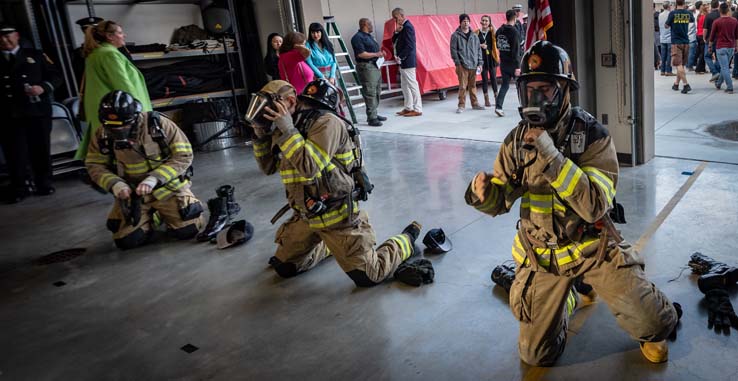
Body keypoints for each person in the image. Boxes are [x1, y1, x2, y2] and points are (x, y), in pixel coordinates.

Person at [465, 41, 679, 366]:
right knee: (536, 356)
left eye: (546, 89)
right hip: (543, 255)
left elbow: (594, 206)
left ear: (564, 91)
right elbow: (501, 200)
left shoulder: (592, 136)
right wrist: (483, 195)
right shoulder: (516, 141)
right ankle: (565, 297)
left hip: (592, 248)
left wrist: (551, 154)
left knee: (658, 324)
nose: (536, 98)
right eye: (530, 89)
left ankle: (631, 307)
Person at [248, 79, 424, 287]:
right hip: (306, 216)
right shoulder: (287, 125)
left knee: (369, 276)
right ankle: (328, 245)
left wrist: (287, 131)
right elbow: (268, 168)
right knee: (284, 268)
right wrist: (259, 136)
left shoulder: (327, 123)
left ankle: (405, 241)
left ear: (289, 100)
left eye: (269, 105)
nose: (265, 111)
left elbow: (309, 166)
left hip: (337, 216)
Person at [85, 90, 203, 250]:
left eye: (125, 126)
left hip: (167, 190)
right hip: (133, 196)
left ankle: (169, 211)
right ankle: (151, 217)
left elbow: (184, 155)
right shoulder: (102, 134)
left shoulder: (158, 124)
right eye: (113, 128)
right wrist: (115, 184)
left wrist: (154, 178)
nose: (119, 132)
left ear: (135, 116)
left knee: (187, 230)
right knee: (127, 241)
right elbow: (94, 164)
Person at [0, 25, 62, 203]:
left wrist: (42, 88)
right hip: (9, 114)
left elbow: (56, 76)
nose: (5, 40)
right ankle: (20, 187)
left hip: (37, 111)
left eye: (8, 36)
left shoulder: (35, 55)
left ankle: (44, 183)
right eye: (1, 38)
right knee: (15, 153)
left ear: (17, 36)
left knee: (40, 148)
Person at [77, 20, 152, 161]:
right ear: (110, 36)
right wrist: (139, 111)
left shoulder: (96, 53)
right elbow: (124, 85)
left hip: (104, 111)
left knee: (106, 149)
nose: (124, 35)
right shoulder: (110, 54)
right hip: (119, 113)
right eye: (120, 32)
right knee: (127, 153)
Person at [351, 18, 387, 127]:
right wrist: (376, 54)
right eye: (370, 24)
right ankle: (372, 118)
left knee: (377, 90)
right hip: (366, 67)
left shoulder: (369, 37)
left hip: (374, 66)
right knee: (370, 91)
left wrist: (380, 54)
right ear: (365, 25)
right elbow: (361, 54)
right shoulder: (357, 38)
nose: (372, 26)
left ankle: (374, 113)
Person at [450, 13, 484, 113]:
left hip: (473, 64)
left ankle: (475, 103)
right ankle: (461, 105)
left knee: (473, 86)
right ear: (460, 23)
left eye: (467, 21)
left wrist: (480, 63)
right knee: (462, 86)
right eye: (464, 21)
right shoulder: (455, 36)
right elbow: (453, 50)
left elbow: (478, 50)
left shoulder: (474, 36)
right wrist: (458, 63)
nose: (466, 23)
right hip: (462, 65)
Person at [392, 8, 422, 117]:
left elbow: (410, 46)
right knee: (404, 85)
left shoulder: (408, 27)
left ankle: (418, 108)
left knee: (412, 84)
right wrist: (396, 32)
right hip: (403, 61)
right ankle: (408, 107)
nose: (395, 20)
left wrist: (400, 57)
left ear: (401, 15)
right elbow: (393, 40)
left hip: (407, 61)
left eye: (396, 17)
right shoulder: (401, 28)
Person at [495, 10, 522, 117]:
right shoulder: (514, 32)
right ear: (515, 18)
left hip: (503, 62)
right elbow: (516, 50)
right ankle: (525, 106)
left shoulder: (499, 30)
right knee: (520, 86)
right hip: (513, 64)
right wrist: (518, 66)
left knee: (505, 85)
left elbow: (498, 45)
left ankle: (498, 107)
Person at [665, 0, 695, 93]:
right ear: (684, 3)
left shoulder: (672, 13)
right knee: (681, 64)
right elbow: (692, 20)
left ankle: (686, 85)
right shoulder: (688, 13)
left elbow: (666, 25)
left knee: (678, 64)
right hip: (686, 41)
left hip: (676, 42)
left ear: (676, 3)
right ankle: (676, 84)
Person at [709, 2, 738, 93]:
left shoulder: (717, 22)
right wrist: (737, 46)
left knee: (724, 68)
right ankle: (718, 83)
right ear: (728, 10)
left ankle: (729, 87)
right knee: (724, 67)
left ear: (720, 11)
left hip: (721, 47)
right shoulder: (734, 21)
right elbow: (736, 35)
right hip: (731, 46)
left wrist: (710, 46)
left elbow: (712, 36)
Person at [478, 15, 499, 108]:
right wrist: (480, 45)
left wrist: (492, 25)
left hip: (491, 57)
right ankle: (486, 99)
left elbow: (497, 33)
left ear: (489, 22)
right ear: (480, 22)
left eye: (486, 21)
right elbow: (473, 43)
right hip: (482, 59)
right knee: (484, 79)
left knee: (494, 78)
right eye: (483, 20)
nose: (484, 22)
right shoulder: (477, 32)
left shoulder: (492, 32)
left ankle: (497, 98)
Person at [704, 0, 722, 81]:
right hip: (720, 40)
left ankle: (714, 72)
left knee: (707, 57)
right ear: (718, 5)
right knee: (718, 58)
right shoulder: (721, 15)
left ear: (711, 6)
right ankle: (717, 75)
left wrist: (704, 38)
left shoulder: (708, 16)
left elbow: (705, 29)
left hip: (710, 39)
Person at [659, 2, 674, 76]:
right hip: (669, 38)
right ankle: (668, 71)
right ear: (668, 7)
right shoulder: (670, 14)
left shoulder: (660, 15)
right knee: (669, 55)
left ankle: (662, 70)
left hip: (662, 37)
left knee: (663, 55)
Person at [695, 1, 708, 73]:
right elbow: (705, 27)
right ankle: (698, 69)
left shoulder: (699, 16)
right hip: (702, 35)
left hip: (698, 34)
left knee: (701, 52)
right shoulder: (705, 17)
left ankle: (703, 68)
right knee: (703, 53)